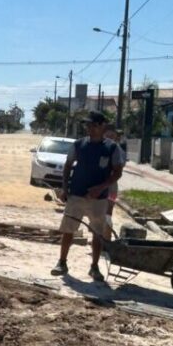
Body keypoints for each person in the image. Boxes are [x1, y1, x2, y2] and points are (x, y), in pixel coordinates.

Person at [51, 110, 125, 281]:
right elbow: (68, 166)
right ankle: (62, 262)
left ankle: (94, 267)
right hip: (76, 194)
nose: (89, 128)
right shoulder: (78, 145)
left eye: (93, 125)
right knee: (68, 229)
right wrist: (65, 188)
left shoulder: (112, 148)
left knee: (97, 233)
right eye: (88, 125)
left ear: (102, 126)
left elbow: (117, 173)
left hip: (98, 200)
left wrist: (101, 188)